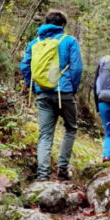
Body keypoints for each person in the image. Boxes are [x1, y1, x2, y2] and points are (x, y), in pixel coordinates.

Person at [20, 10, 83, 181]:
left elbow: (25, 67)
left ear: (46, 23)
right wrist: (72, 88)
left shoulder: (34, 42)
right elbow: (76, 68)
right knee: (71, 128)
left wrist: (33, 87)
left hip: (43, 93)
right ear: (62, 25)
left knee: (45, 134)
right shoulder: (69, 41)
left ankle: (42, 175)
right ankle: (62, 169)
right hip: (64, 92)